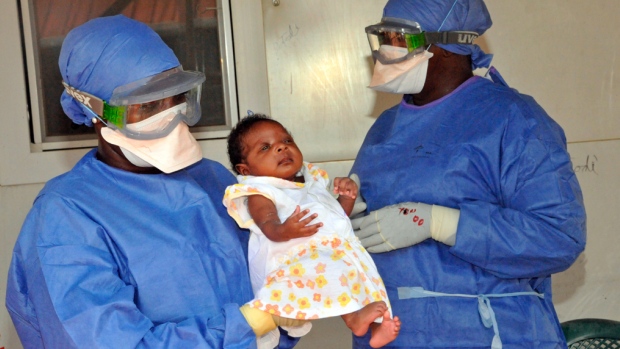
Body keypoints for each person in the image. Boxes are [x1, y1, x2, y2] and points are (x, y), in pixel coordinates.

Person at [5, 15, 297, 348]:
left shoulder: (214, 179)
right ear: (98, 113)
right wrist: (246, 326)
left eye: (176, 96)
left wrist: (288, 316)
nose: (171, 116)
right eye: (148, 105)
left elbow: (268, 280)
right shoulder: (65, 216)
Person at [350, 0, 587, 348]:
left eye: (400, 38)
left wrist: (439, 223)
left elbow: (559, 237)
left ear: (445, 47)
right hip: (394, 336)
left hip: (487, 334)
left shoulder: (513, 120)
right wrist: (345, 212)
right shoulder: (386, 128)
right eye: (383, 36)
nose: (387, 49)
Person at [223, 114, 401, 349]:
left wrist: (346, 198)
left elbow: (334, 217)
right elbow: (268, 226)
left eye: (286, 141)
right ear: (245, 169)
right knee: (335, 272)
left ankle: (376, 326)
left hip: (332, 251)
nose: (280, 148)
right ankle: (353, 318)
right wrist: (285, 229)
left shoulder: (312, 181)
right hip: (292, 259)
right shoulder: (261, 192)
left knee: (367, 279)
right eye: (265, 147)